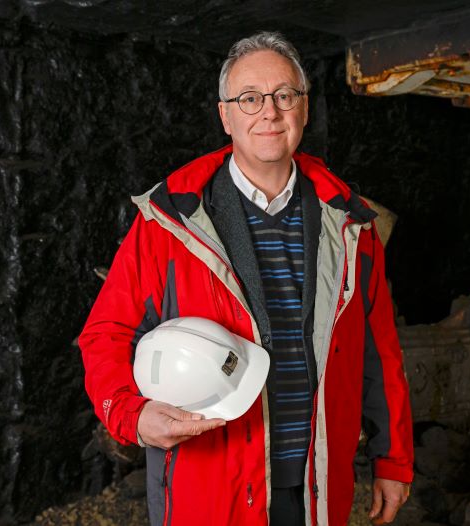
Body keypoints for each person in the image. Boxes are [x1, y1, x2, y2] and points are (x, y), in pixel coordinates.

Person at [79, 31, 413, 526]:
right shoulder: (168, 224)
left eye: (284, 96)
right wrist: (132, 415)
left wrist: (393, 459)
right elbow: (105, 334)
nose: (269, 113)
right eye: (250, 99)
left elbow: (380, 350)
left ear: (304, 108)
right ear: (226, 115)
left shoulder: (351, 225)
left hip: (316, 483)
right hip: (210, 490)